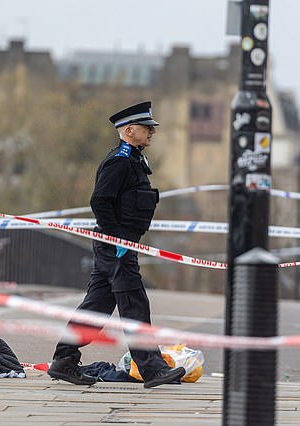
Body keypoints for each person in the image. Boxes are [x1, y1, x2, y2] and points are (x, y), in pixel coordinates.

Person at [47, 101, 186, 388]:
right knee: (135, 304)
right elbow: (100, 200)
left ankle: (64, 360)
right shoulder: (120, 161)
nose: (152, 133)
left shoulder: (133, 159)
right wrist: (114, 237)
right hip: (116, 246)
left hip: (119, 245)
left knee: (97, 306)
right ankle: (152, 369)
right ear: (129, 130)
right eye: (148, 128)